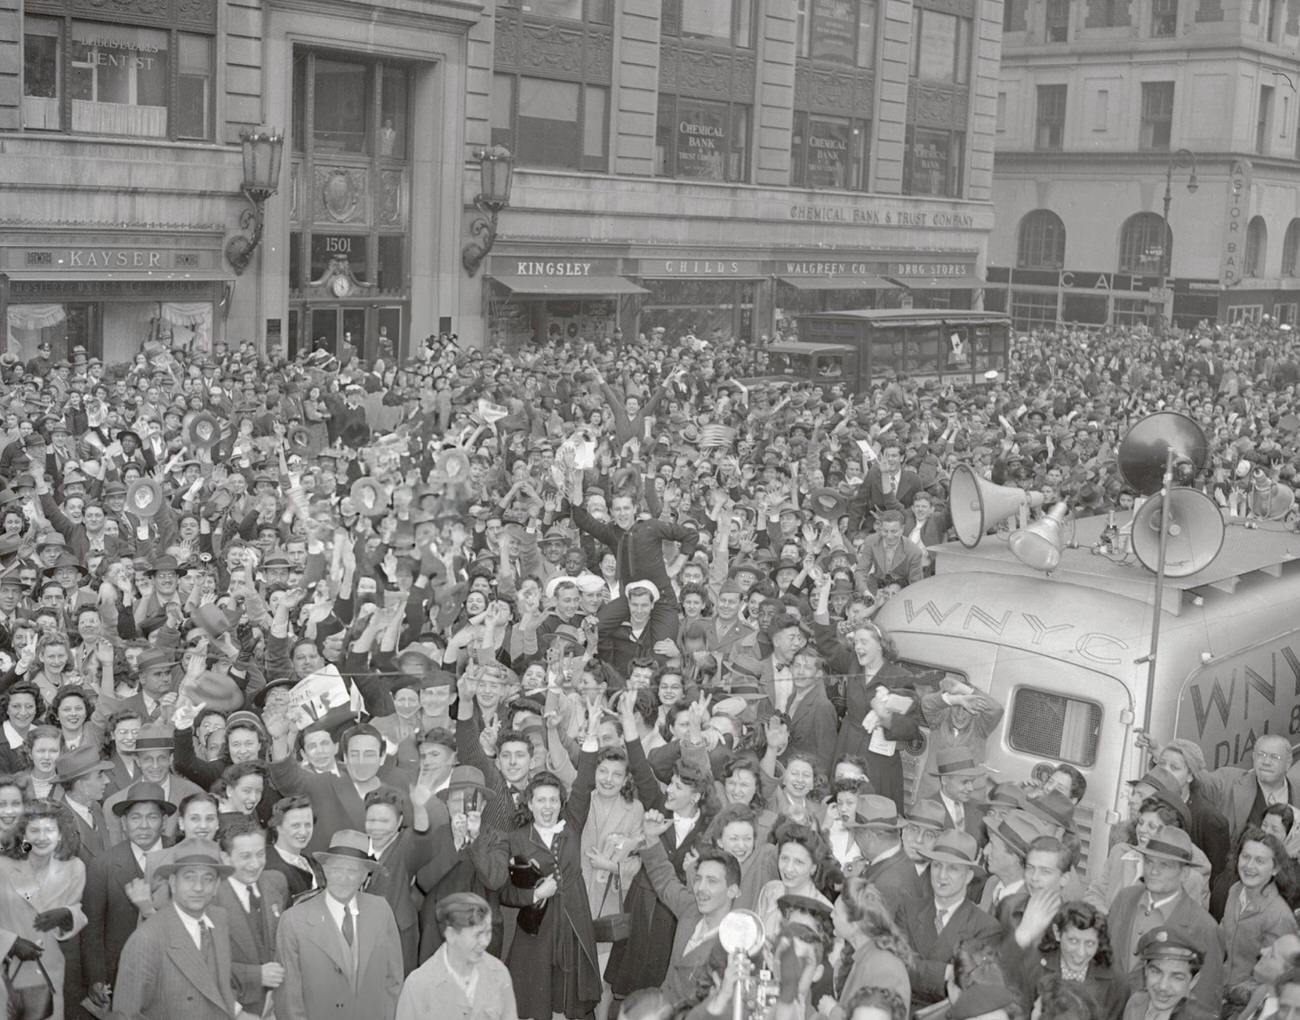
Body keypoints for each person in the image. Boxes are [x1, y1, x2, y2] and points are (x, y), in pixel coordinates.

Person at [111, 837, 253, 1020]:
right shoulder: (147, 939)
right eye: (189, 877)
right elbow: (125, 1015)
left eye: (208, 879)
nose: (198, 887)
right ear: (172, 882)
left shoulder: (219, 920)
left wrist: (238, 1014)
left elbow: (218, 987)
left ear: (217, 886)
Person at [273, 829, 404, 1020]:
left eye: (352, 871)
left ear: (364, 876)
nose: (343, 878)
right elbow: (289, 998)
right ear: (324, 870)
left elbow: (393, 980)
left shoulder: (381, 910)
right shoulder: (294, 920)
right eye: (336, 869)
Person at [1104, 827, 1224, 1015]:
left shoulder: (1204, 928)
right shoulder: (1124, 899)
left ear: (1184, 874)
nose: (1153, 870)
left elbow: (1206, 1006)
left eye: (1165, 865)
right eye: (1149, 861)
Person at [81, 780, 173, 1011]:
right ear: (123, 823)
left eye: (152, 817)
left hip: (174, 972)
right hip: (122, 975)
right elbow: (93, 928)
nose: (143, 825)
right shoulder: (103, 865)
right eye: (135, 818)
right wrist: (96, 978)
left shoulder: (180, 856)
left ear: (164, 821)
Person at [894, 828, 1002, 1006]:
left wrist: (919, 969)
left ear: (968, 876)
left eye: (952, 868)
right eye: (937, 865)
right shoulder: (907, 910)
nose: (941, 876)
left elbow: (970, 984)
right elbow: (897, 966)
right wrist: (946, 972)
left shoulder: (986, 927)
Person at [0, 800, 85, 1020]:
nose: (41, 837)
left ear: (60, 835)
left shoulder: (74, 868)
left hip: (48, 972)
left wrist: (67, 915)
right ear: (23, 835)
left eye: (49, 830)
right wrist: (10, 943)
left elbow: (76, 909)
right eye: (34, 830)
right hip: (7, 973)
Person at [396, 892, 517, 1020]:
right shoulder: (419, 985)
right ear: (451, 935)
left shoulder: (498, 973)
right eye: (477, 935)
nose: (485, 942)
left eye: (488, 933)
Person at [216, 817, 290, 1014]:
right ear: (225, 858)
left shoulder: (276, 883)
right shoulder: (210, 899)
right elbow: (202, 964)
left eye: (260, 854)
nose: (255, 864)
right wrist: (255, 976)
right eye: (245, 856)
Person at [1017, 901, 1129, 1020]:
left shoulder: (1116, 984)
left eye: (1090, 944)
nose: (1081, 953)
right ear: (1057, 933)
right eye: (1073, 941)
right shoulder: (1032, 969)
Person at [832, 874, 913, 1008]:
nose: (831, 915)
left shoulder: (883, 966)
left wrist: (832, 1011)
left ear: (855, 925)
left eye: (835, 913)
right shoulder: (864, 954)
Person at [1120, 926, 1217, 1020]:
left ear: (1193, 981)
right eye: (1156, 972)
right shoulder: (1136, 1004)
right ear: (1145, 970)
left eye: (1177, 977)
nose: (1163, 986)